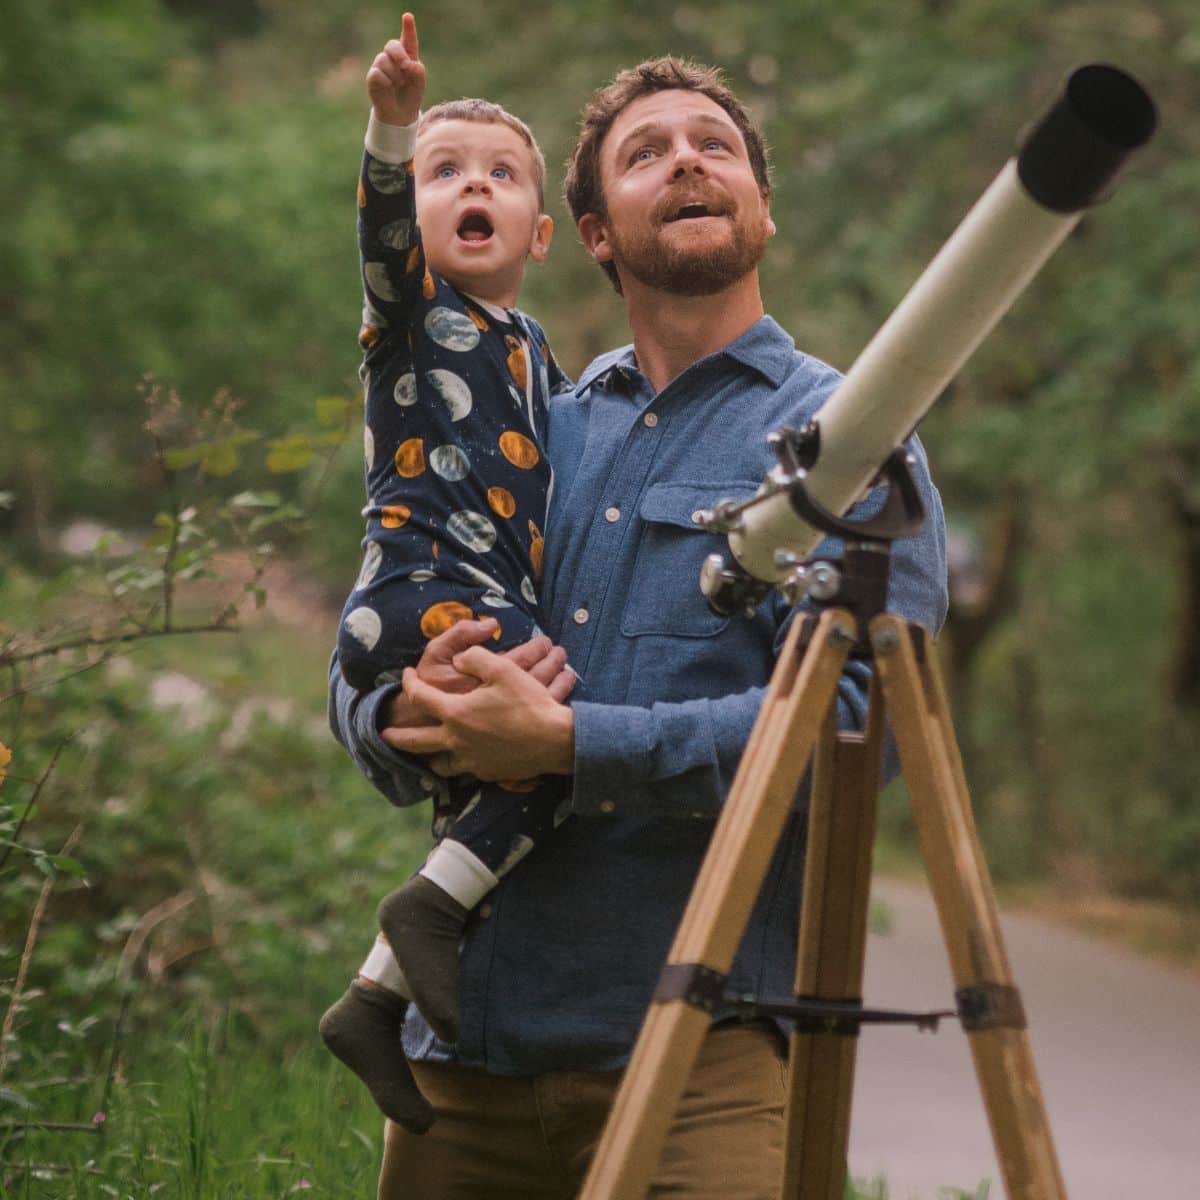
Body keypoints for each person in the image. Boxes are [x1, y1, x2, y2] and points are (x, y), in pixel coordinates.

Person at [328, 53, 948, 1200]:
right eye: (646, 152)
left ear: (762, 204)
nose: (688, 161)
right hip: (461, 1059)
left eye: (715, 145)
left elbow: (865, 737)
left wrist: (573, 744)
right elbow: (377, 638)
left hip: (702, 1050)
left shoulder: (847, 439)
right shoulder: (532, 424)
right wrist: (396, 710)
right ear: (595, 232)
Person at [318, 13, 577, 1136]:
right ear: (416, 218)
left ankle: (372, 997)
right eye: (444, 172)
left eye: (500, 173)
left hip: (477, 603)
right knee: (558, 753)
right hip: (422, 594)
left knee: (511, 781)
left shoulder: (539, 355)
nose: (473, 185)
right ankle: (422, 918)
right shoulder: (412, 314)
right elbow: (381, 234)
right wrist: (391, 125)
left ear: (544, 229)